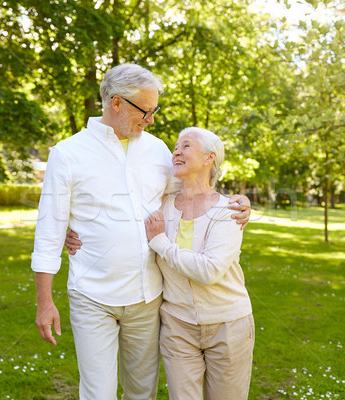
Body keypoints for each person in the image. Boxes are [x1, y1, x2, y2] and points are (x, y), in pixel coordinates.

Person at [31, 63, 250, 400]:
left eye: (154, 111)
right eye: (145, 111)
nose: (151, 120)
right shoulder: (68, 154)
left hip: (148, 297)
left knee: (141, 393)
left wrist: (234, 204)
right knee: (98, 393)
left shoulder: (158, 149)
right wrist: (45, 301)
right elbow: (48, 230)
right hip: (92, 296)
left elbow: (183, 198)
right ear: (116, 103)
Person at [144, 127, 254, 400]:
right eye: (176, 146)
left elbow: (209, 270)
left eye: (186, 146)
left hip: (228, 325)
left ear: (209, 158)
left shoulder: (229, 210)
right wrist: (73, 232)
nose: (177, 151)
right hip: (177, 325)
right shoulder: (162, 205)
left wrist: (161, 244)